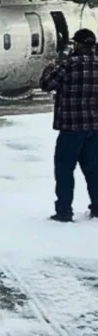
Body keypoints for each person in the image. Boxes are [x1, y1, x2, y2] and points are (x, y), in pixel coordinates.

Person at [40, 28, 98, 222]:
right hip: (94, 127)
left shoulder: (69, 65)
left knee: (65, 170)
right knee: (94, 169)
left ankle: (64, 210)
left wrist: (50, 67)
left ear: (79, 45)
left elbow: (47, 84)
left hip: (71, 128)